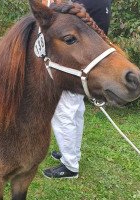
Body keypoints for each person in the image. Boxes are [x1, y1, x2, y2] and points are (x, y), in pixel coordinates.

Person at [42, 0, 112, 179]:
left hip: (75, 62)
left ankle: (70, 165)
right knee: (75, 110)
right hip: (86, 61)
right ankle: (71, 153)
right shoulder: (101, 4)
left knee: (64, 112)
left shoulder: (79, 4)